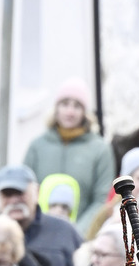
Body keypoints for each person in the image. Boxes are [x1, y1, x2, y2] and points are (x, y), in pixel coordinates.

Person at [23, 79, 115, 236]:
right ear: (56, 108)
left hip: (82, 237)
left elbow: (101, 199)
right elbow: (26, 190)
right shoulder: (37, 146)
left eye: (77, 106)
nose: (70, 112)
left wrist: (76, 232)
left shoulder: (100, 149)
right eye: (65, 104)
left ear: (85, 112)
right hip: (39, 234)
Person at [0, 164, 82, 266]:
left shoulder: (64, 231)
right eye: (7, 194)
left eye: (20, 193)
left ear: (37, 192)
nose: (14, 201)